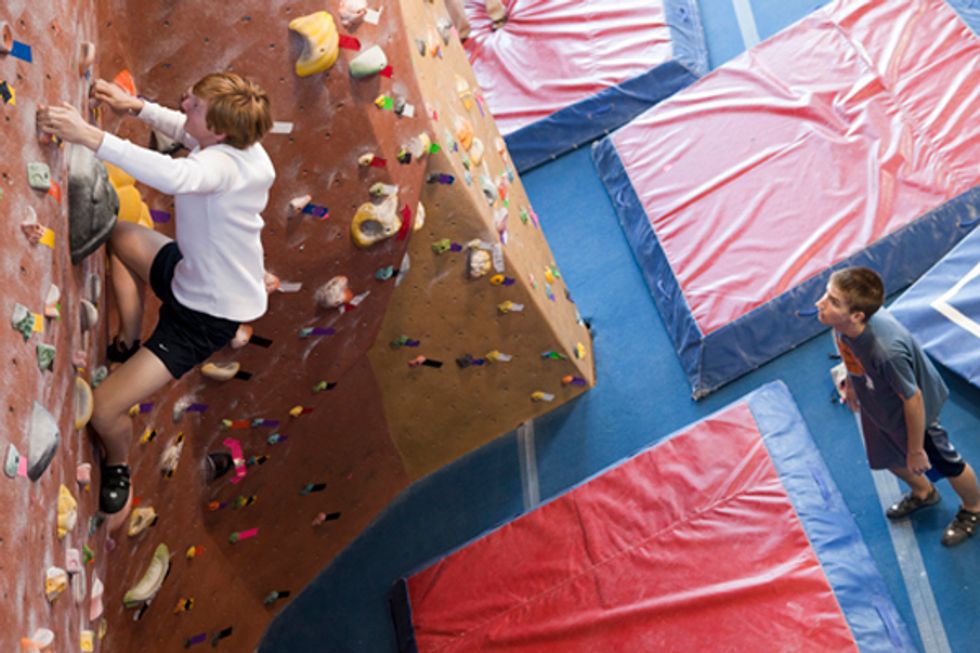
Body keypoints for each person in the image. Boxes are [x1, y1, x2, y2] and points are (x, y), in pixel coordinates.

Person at [37, 72, 275, 514]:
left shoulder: (220, 167)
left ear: (222, 130)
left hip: (202, 318)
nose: (185, 103)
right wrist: (136, 107)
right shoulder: (243, 146)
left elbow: (172, 175)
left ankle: (119, 466)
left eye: (196, 105)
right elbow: (190, 132)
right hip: (192, 273)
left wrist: (88, 134)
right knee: (121, 235)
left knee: (105, 410)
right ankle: (127, 342)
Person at [816, 266, 980, 546]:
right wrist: (854, 385)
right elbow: (845, 346)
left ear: (856, 316)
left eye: (833, 301)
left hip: (916, 411)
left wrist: (916, 450)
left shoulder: (885, 351)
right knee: (884, 454)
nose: (820, 303)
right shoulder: (842, 325)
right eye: (827, 294)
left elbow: (913, 399)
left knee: (946, 461)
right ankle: (923, 492)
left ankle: (973, 508)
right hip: (877, 398)